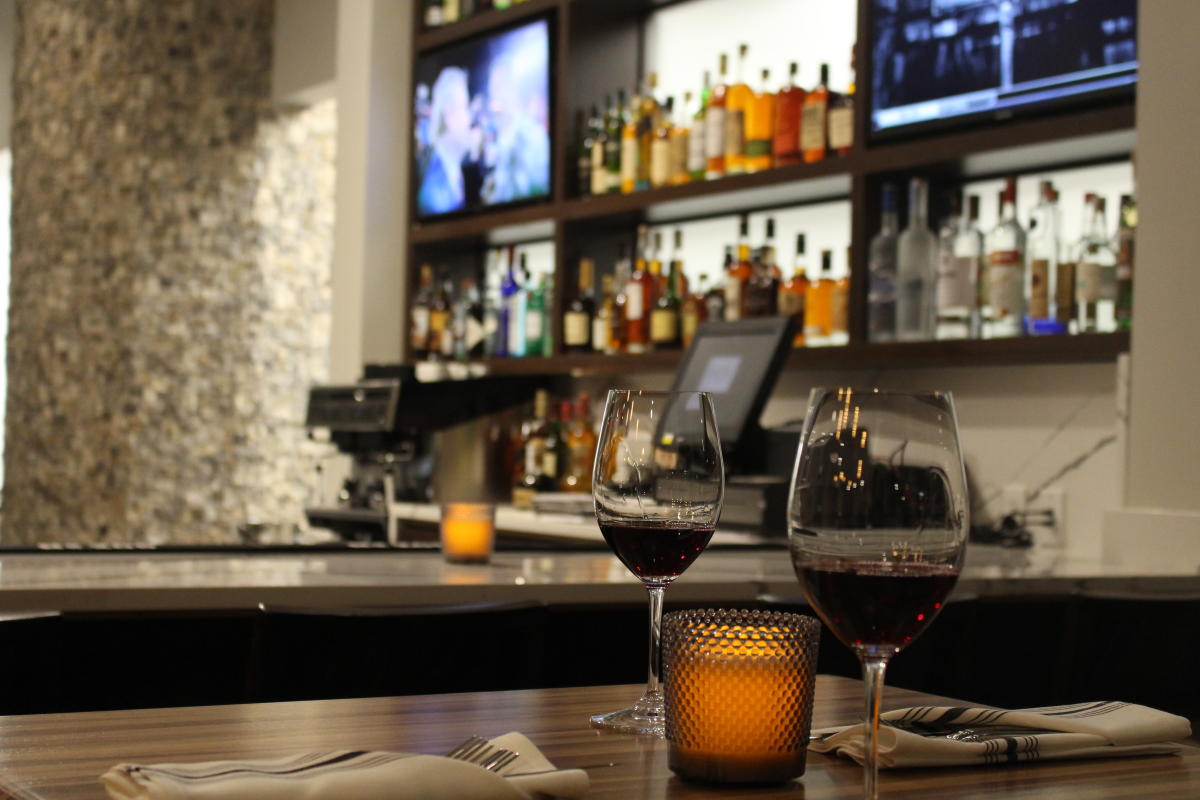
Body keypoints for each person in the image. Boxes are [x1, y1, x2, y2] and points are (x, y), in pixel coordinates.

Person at [482, 40, 550, 205]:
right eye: (491, 89)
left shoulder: (532, 137)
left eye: (498, 87)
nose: (493, 96)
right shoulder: (501, 139)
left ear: (514, 89)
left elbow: (534, 193)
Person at [418, 67, 473, 216]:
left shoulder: (454, 168)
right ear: (448, 112)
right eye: (465, 107)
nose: (469, 119)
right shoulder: (433, 179)